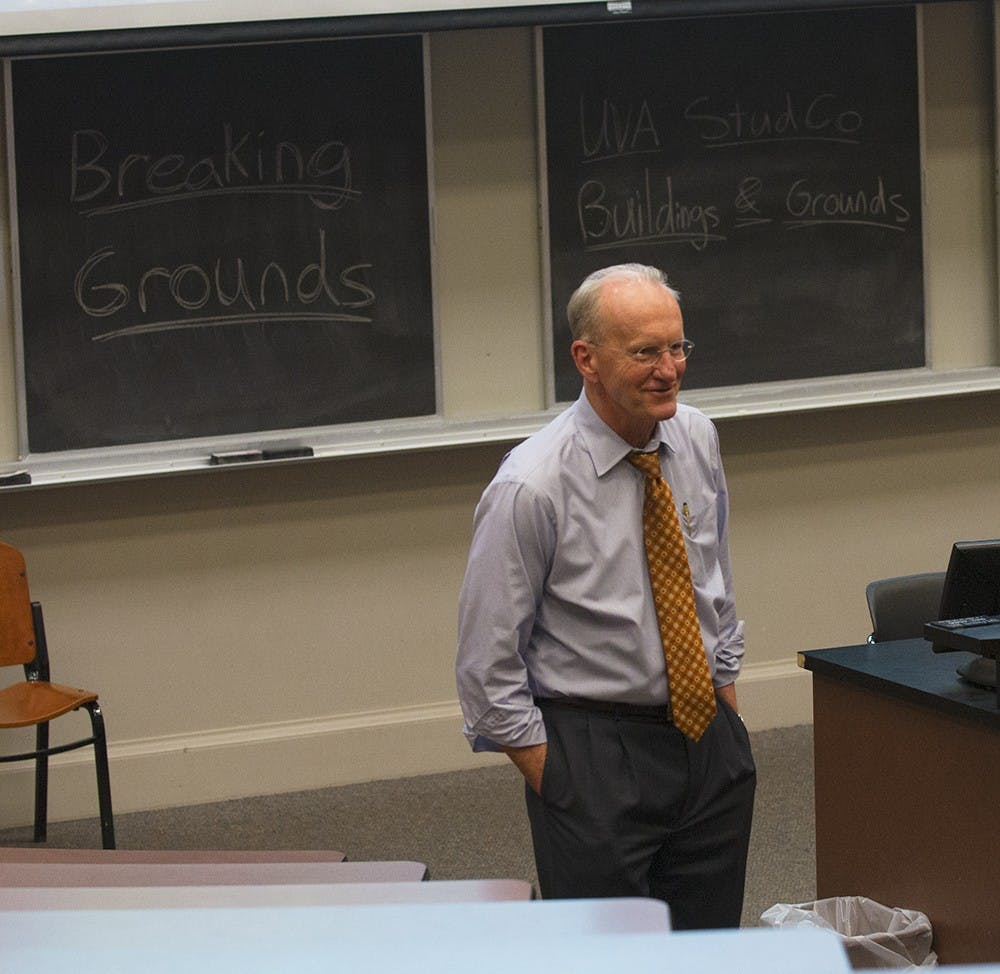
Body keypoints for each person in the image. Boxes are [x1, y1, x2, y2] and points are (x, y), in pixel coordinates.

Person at [455, 263, 755, 929]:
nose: (668, 369)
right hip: (594, 751)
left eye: (677, 347)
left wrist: (728, 714)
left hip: (707, 743)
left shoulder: (696, 437)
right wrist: (562, 784)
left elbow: (714, 583)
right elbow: (487, 665)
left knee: (709, 950)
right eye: (645, 351)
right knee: (610, 956)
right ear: (586, 359)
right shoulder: (531, 486)